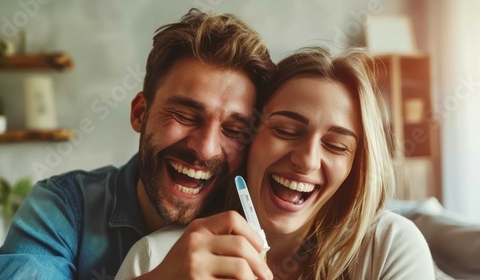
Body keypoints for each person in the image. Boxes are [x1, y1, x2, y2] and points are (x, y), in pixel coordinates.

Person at [0, 9, 276, 279]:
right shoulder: (62, 207)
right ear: (139, 113)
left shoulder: (263, 224)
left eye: (234, 130)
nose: (205, 148)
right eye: (185, 115)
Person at [115, 46, 436, 280]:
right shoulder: (157, 259)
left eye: (336, 145)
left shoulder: (390, 247)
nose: (307, 160)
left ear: (357, 166)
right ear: (248, 139)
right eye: (285, 130)